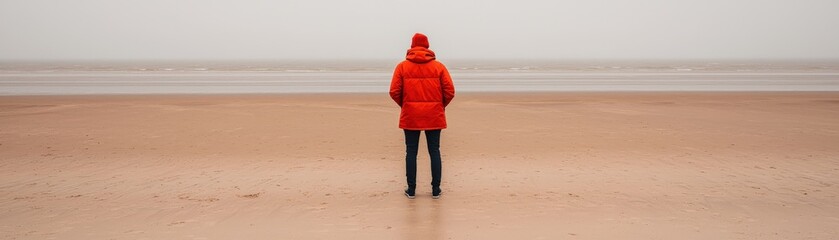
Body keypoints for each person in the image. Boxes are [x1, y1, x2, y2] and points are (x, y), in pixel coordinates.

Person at [389, 33, 455, 199]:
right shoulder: (439, 67)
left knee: (411, 152)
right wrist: (439, 105)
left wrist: (406, 105)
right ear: (427, 46)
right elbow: (450, 91)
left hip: (411, 115)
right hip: (434, 115)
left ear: (412, 46)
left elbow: (394, 91)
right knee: (434, 151)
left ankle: (411, 190)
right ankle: (435, 189)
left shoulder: (402, 67)